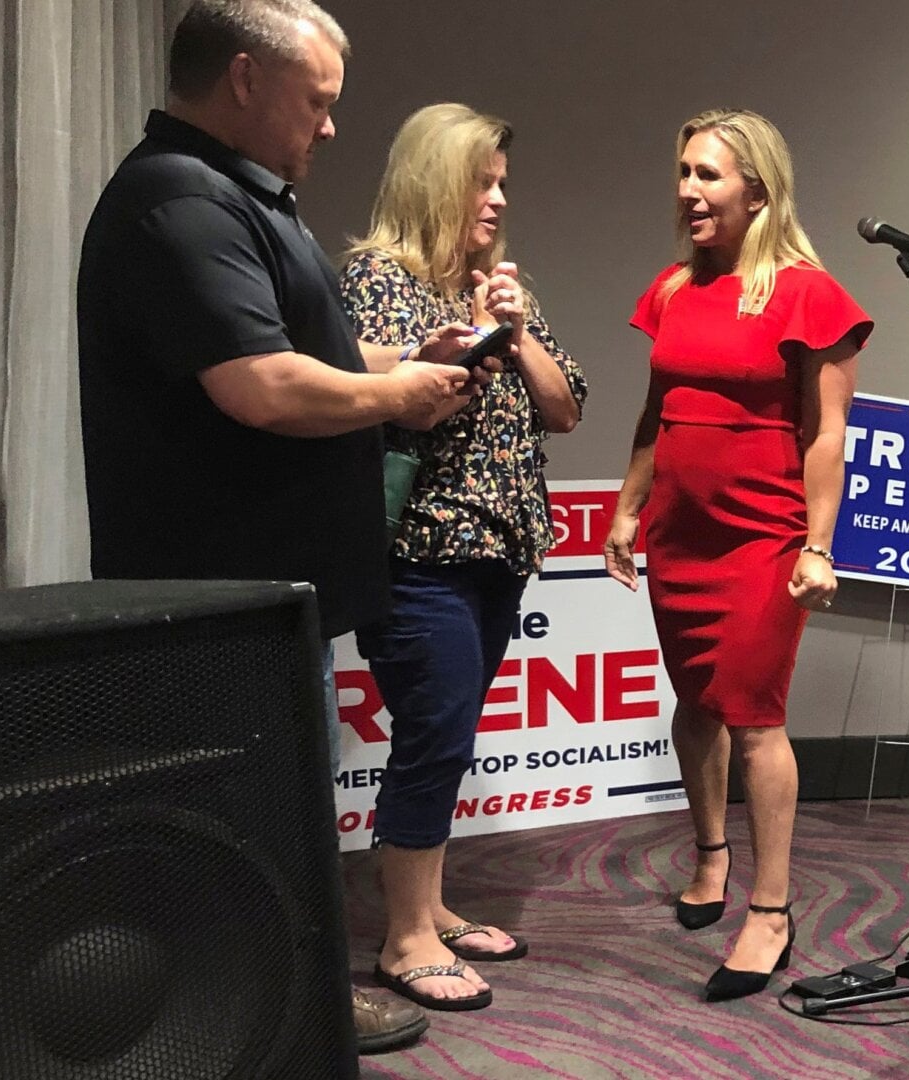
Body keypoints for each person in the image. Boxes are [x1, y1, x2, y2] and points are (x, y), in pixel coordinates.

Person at [78, 0, 481, 1054]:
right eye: (321, 102)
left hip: (262, 593)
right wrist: (397, 399)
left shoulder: (236, 194)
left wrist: (406, 362)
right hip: (220, 596)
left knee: (272, 803)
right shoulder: (181, 200)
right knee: (246, 816)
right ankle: (274, 1009)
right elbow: (262, 388)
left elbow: (311, 361)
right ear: (246, 80)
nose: (334, 127)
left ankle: (270, 997)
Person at [603, 108, 871, 1001]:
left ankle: (771, 909)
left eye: (708, 175)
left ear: (757, 189)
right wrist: (627, 508)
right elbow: (657, 412)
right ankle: (711, 856)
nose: (688, 190)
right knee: (697, 702)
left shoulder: (806, 293)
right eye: (683, 172)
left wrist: (819, 544)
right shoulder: (673, 290)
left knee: (754, 713)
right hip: (681, 530)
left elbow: (827, 433)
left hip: (764, 534)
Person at [339, 102, 588, 1012]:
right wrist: (449, 358)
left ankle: (431, 905)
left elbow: (564, 410)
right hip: (419, 556)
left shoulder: (498, 289)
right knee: (434, 730)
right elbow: (402, 406)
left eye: (502, 185)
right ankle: (403, 941)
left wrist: (513, 331)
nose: (496, 200)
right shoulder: (376, 280)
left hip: (498, 556)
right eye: (482, 181)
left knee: (448, 734)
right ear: (435, 179)